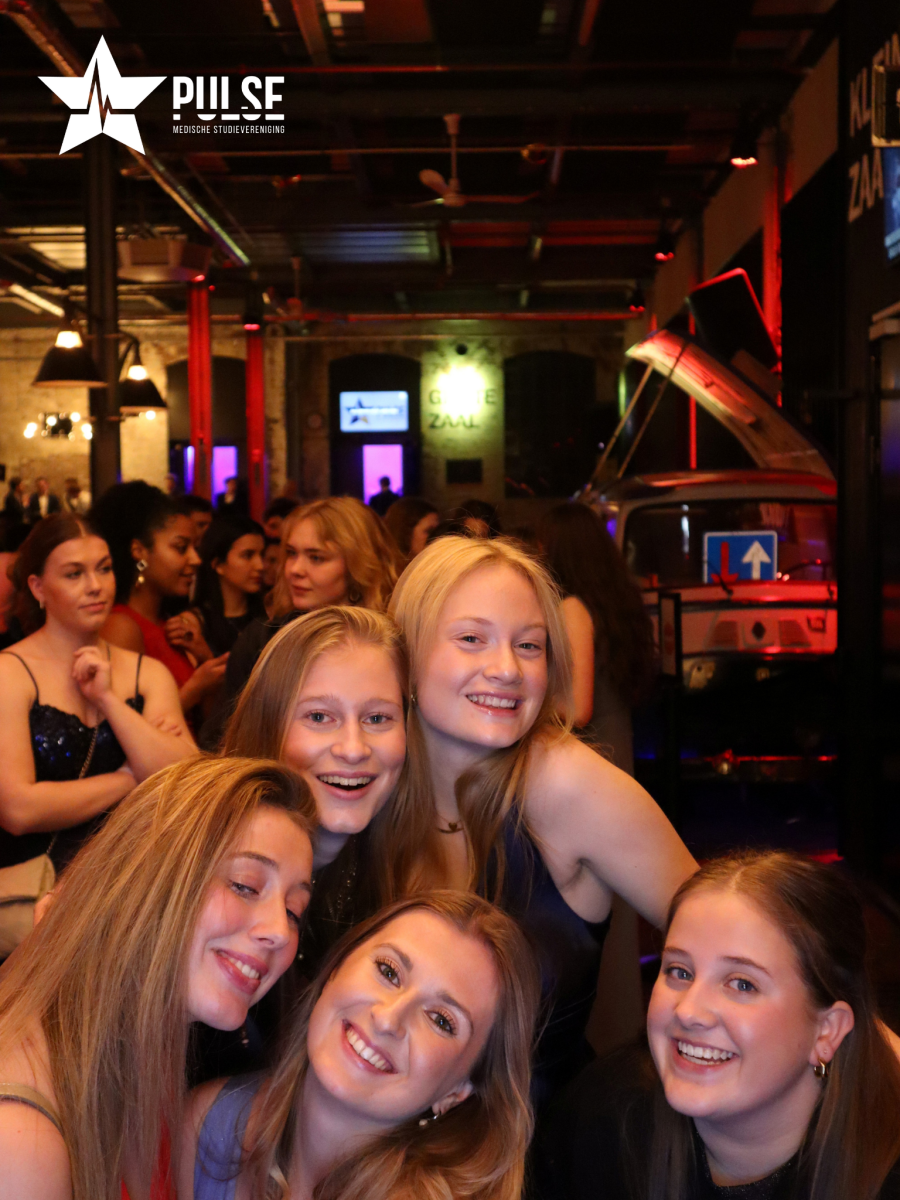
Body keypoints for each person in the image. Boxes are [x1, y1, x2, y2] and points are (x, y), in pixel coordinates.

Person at [387, 535, 697, 1100]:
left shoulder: (565, 782)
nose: (507, 669)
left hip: (540, 1141)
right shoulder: (375, 782)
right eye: (472, 639)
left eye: (529, 646)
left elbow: (731, 934)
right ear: (406, 654)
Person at [0, 755, 315, 1200]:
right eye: (245, 885)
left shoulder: (150, 1049)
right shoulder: (20, 1142)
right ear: (146, 879)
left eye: (293, 911)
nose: (280, 932)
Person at [541, 850, 900, 1200]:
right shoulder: (601, 1121)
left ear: (827, 1031)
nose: (688, 1012)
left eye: (742, 984)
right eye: (679, 972)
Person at [180, 891, 541, 1200]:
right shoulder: (208, 1121)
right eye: (388, 971)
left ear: (458, 1091)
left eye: (441, 1020)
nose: (387, 1019)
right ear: (336, 969)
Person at [0, 515, 194, 891]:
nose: (95, 586)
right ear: (38, 587)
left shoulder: (147, 674)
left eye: (104, 569)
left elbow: (185, 777)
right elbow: (18, 809)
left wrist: (108, 700)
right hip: (34, 891)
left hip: (131, 886)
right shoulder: (10, 673)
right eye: (74, 574)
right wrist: (131, 776)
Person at [223, 605, 408, 974]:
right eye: (320, 717)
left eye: (377, 718)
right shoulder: (200, 857)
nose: (353, 749)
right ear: (268, 723)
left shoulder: (398, 876)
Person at [200, 496, 403, 751]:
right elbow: (219, 741)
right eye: (291, 554)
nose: (295, 569)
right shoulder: (263, 640)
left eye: (316, 558)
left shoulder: (392, 643)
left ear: (358, 565)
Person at [537, 502, 655, 774]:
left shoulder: (573, 608)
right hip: (616, 747)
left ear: (559, 551)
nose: (538, 553)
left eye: (542, 545)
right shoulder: (612, 603)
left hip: (592, 760)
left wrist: (527, 701)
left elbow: (578, 709)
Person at [93, 481, 227, 716]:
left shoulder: (167, 624)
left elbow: (209, 723)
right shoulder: (120, 627)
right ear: (139, 551)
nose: (195, 559)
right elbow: (123, 726)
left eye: (195, 547)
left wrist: (204, 657)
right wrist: (194, 689)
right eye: (181, 548)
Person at [193, 517, 267, 656]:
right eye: (247, 555)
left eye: (262, 555)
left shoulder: (267, 616)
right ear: (218, 564)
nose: (260, 566)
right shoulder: (197, 623)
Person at [383, 496, 440, 563]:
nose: (438, 536)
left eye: (438, 529)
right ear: (406, 533)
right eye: (429, 531)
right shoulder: (388, 568)